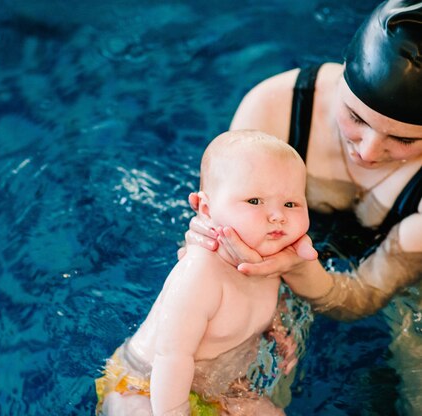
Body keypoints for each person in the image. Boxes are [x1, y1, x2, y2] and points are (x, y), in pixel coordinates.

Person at [186, 1, 422, 413]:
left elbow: (365, 295)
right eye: (354, 117)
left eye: (404, 141)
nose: (368, 152)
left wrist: (298, 268)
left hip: (392, 268)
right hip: (282, 253)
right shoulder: (278, 107)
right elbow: (223, 223)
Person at [96, 130, 310, 416]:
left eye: (291, 204)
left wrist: (276, 329)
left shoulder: (273, 260)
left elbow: (256, 310)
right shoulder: (201, 273)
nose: (277, 216)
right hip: (147, 384)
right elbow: (171, 357)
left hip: (224, 388)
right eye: (255, 201)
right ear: (207, 209)